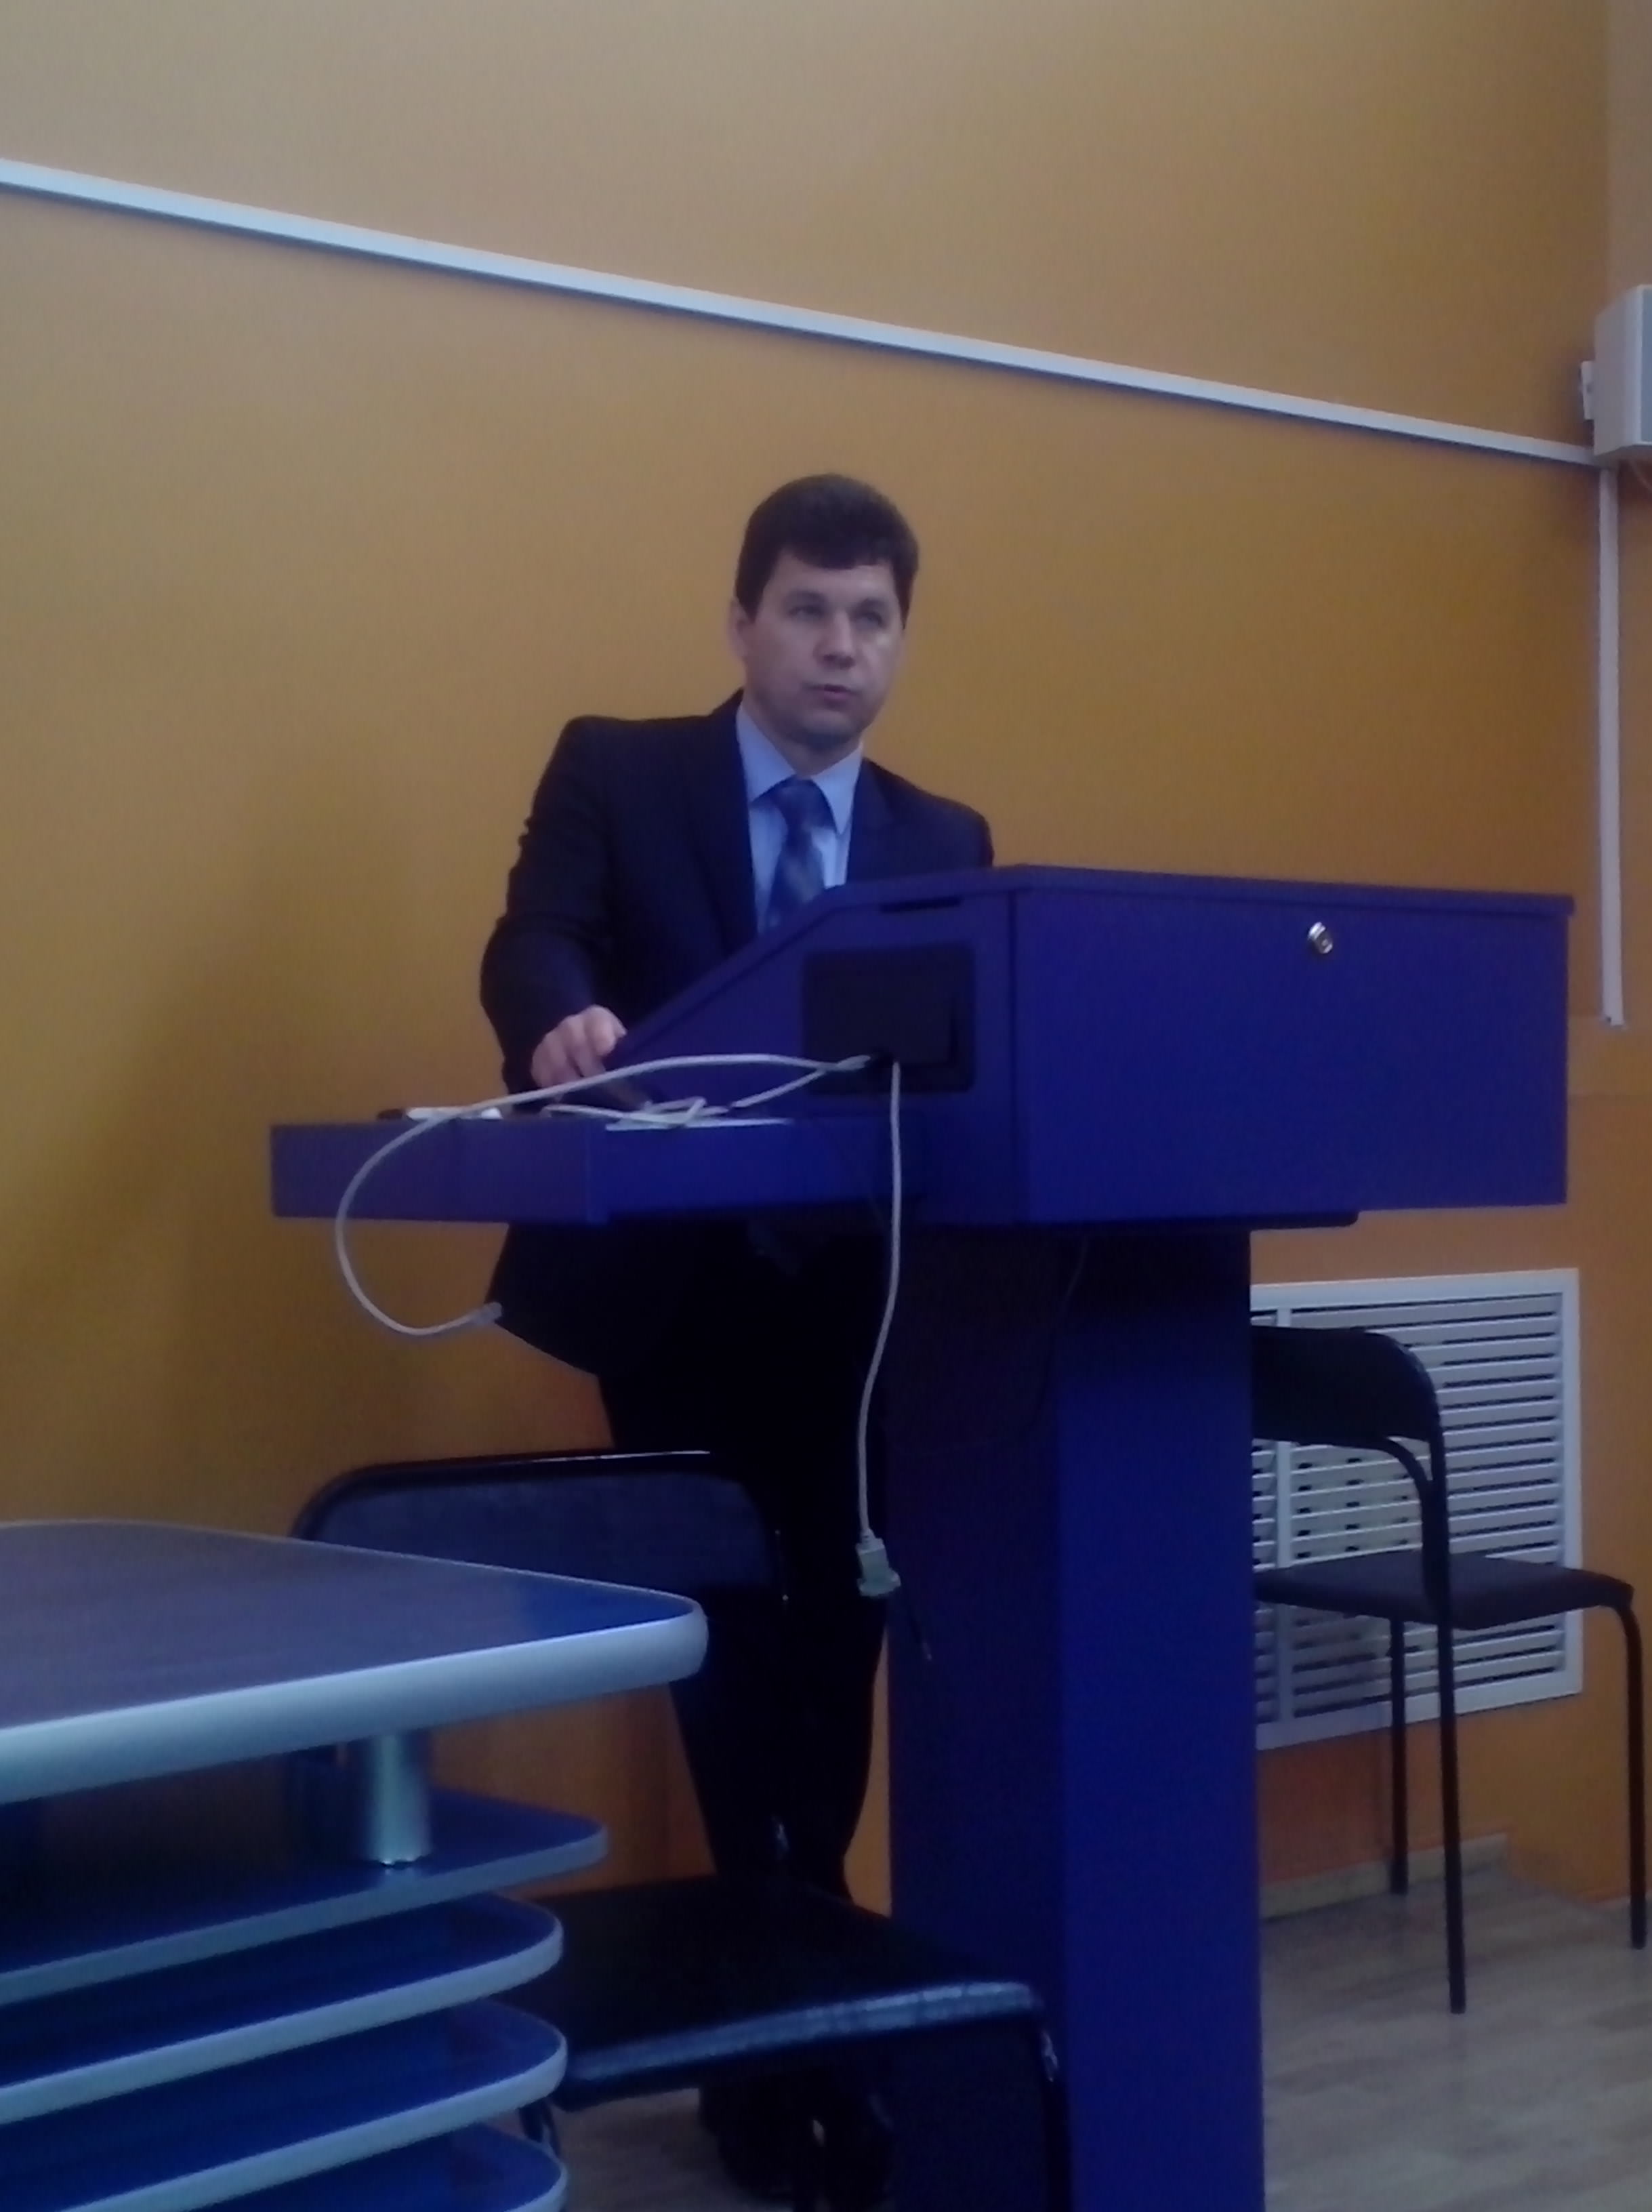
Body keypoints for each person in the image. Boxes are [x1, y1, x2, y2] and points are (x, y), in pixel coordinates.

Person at [480, 474, 993, 2205]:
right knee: (727, 1645)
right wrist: (560, 1017)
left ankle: (792, 2007)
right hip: (677, 1299)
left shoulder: (944, 838)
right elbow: (532, 935)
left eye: (872, 618)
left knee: (835, 1644)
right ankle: (797, 2032)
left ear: (898, 640)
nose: (840, 646)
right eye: (809, 609)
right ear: (744, 620)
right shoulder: (622, 771)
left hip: (862, 1314)